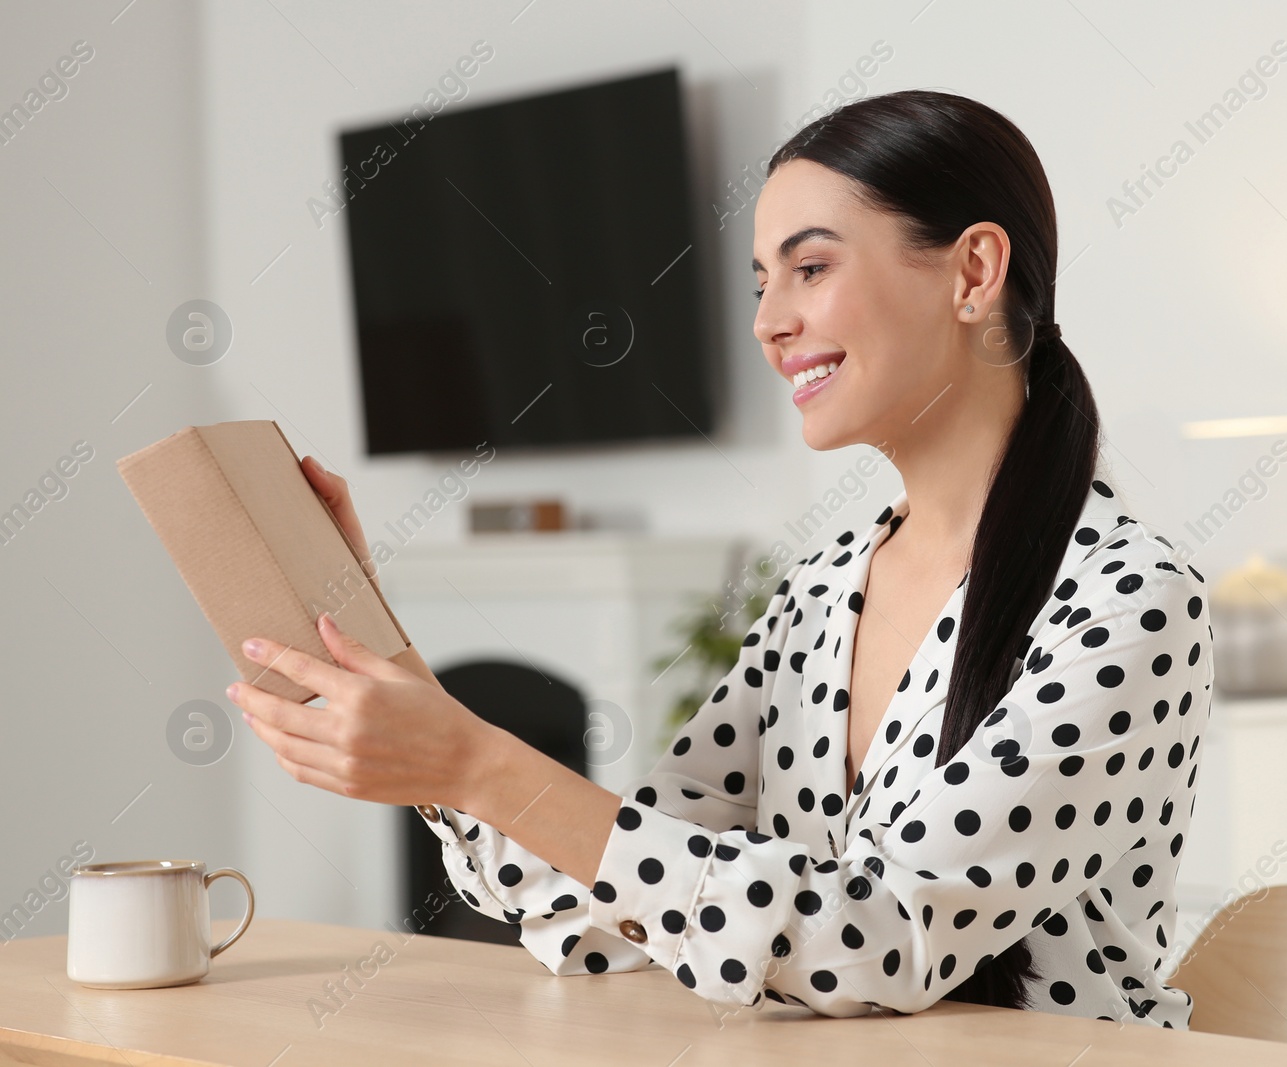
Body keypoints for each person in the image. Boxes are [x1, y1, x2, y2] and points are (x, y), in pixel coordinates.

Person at [225, 89, 1214, 1025]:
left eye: (810, 267)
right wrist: (396, 687)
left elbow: (880, 942)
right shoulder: (823, 590)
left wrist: (472, 761)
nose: (767, 322)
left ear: (972, 271)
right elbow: (623, 903)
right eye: (759, 282)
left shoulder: (1130, 602)